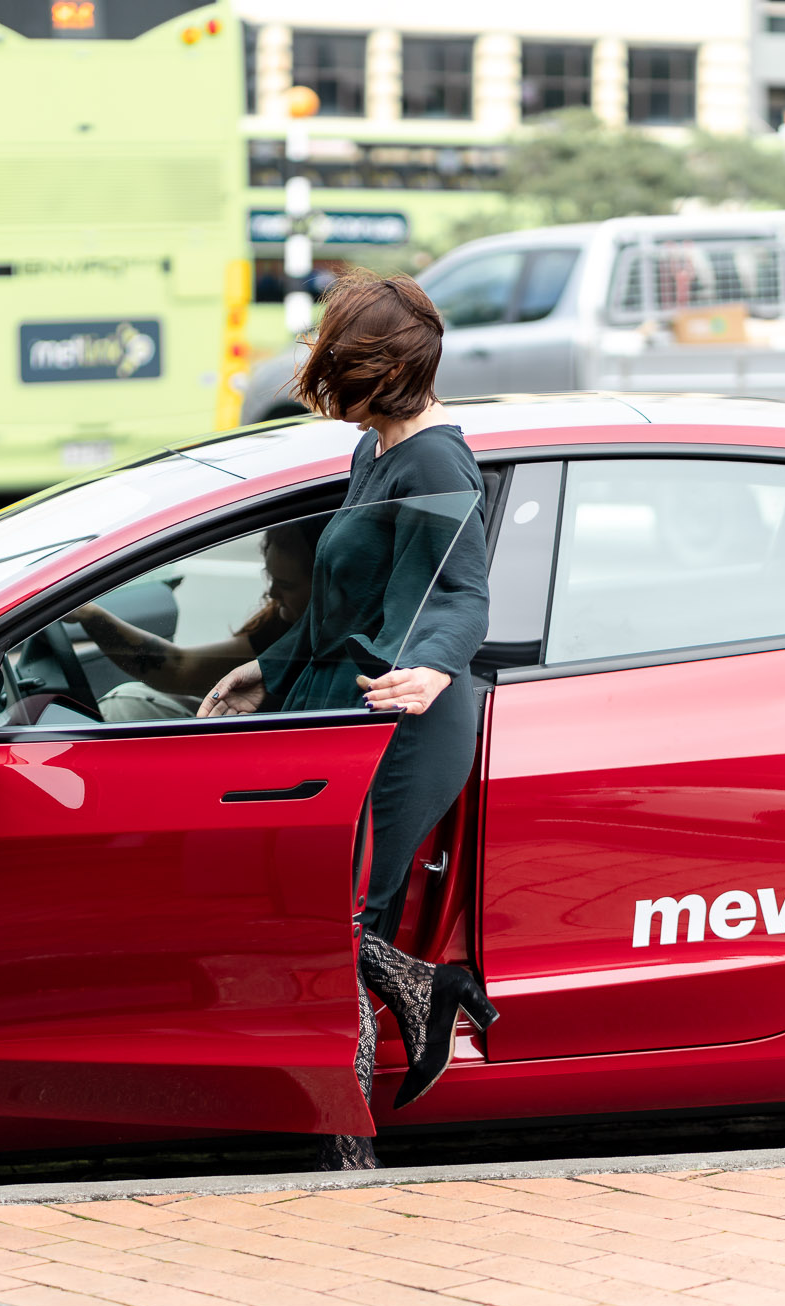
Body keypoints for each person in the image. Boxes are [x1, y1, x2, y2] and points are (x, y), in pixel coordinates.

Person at [198, 270, 497, 1171]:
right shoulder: (375, 451)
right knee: (326, 915)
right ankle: (428, 993)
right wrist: (265, 667)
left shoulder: (437, 460)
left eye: (349, 369)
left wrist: (435, 666)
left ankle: (344, 1145)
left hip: (407, 717)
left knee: (336, 921)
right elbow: (342, 605)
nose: (336, 389)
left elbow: (464, 591)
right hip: (345, 703)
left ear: (388, 369)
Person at [69, 519, 319, 722]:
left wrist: (92, 616)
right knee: (128, 700)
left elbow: (179, 669)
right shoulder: (282, 627)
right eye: (270, 579)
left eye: (286, 585)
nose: (273, 594)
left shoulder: (321, 637)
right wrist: (90, 615)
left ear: (325, 583)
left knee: (125, 707)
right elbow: (179, 667)